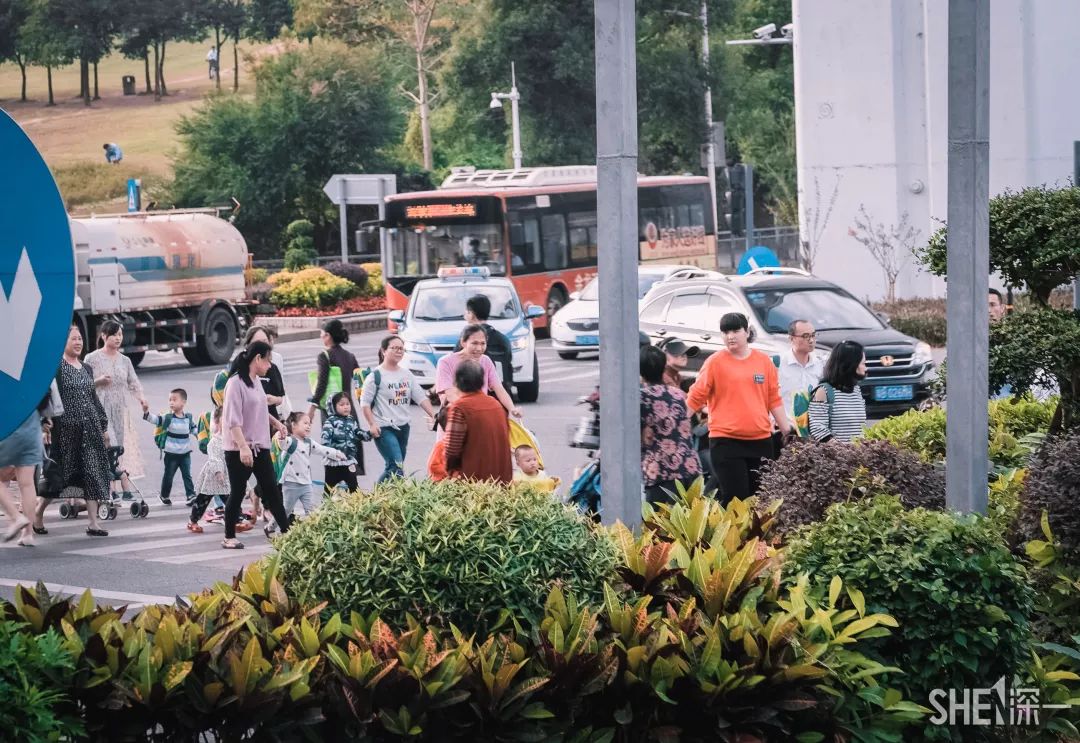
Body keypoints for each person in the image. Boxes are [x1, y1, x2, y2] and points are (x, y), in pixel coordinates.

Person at [687, 313, 793, 504]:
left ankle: (758, 536)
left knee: (760, 498)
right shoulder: (714, 362)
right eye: (726, 332)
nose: (730, 336)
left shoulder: (763, 362)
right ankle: (732, 534)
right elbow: (696, 395)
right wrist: (678, 423)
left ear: (747, 332)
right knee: (736, 497)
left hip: (760, 441)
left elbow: (773, 398)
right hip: (725, 441)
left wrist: (787, 430)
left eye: (736, 330)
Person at [221, 342, 289, 549]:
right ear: (257, 359)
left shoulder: (256, 381)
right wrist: (243, 447)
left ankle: (287, 532)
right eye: (268, 360)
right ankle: (229, 536)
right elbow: (233, 420)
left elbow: (259, 409)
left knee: (272, 489)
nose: (270, 365)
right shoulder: (235, 383)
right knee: (238, 491)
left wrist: (276, 423)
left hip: (260, 446)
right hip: (238, 449)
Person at [53, 325, 113, 537]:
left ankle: (93, 523)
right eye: (73, 339)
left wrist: (103, 426)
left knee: (92, 474)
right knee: (59, 478)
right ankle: (39, 513)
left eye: (80, 339)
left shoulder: (86, 368)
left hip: (90, 430)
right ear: (63, 343)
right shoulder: (57, 368)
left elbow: (93, 398)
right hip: (67, 432)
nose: (78, 343)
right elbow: (50, 398)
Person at [360, 335, 437, 483]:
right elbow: (365, 403)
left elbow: (420, 397)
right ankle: (375, 497)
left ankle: (390, 498)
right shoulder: (375, 376)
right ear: (384, 351)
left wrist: (433, 415)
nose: (398, 351)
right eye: (394, 348)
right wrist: (372, 424)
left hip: (403, 427)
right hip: (384, 428)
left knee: (396, 469)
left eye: (401, 348)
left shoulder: (406, 374)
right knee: (396, 467)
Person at [85, 320, 148, 500]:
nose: (118, 338)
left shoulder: (125, 360)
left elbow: (133, 382)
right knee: (107, 444)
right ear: (104, 336)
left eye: (120, 335)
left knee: (116, 449)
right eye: (114, 335)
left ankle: (116, 489)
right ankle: (110, 489)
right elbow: (83, 384)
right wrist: (98, 382)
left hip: (119, 409)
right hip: (99, 408)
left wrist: (142, 399)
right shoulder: (92, 358)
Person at [640, 345, 701, 506]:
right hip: (689, 468)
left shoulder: (642, 398)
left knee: (657, 527)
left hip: (661, 472)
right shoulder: (679, 394)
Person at [269, 412, 346, 533]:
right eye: (305, 423)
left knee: (310, 510)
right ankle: (270, 527)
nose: (308, 426)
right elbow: (282, 444)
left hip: (306, 483)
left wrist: (336, 453)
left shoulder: (309, 443)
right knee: (286, 510)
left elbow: (322, 449)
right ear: (293, 425)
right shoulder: (290, 441)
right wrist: (281, 437)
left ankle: (314, 533)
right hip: (291, 483)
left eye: (309, 423)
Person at [307, 318, 365, 475]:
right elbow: (360, 381)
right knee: (350, 449)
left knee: (334, 451)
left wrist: (312, 407)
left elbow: (322, 384)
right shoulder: (350, 356)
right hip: (349, 408)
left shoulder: (324, 356)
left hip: (331, 410)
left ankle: (337, 486)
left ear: (327, 336)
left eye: (322, 333)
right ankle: (351, 483)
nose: (320, 336)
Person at [443, 360, 513, 483]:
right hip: (502, 478)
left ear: (457, 382)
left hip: (475, 482)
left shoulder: (460, 408)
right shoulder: (495, 404)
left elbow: (452, 449)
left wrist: (451, 472)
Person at [436, 325, 522, 419]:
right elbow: (450, 395)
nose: (479, 348)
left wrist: (512, 408)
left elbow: (499, 389)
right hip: (455, 418)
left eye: (483, 343)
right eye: (474, 343)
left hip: (478, 418)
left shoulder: (486, 361)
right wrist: (475, 410)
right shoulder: (445, 362)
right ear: (463, 342)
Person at [0, 401, 48, 545]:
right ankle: (28, 534)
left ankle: (16, 517)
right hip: (31, 425)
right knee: (27, 484)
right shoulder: (31, 378)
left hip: (8, 424)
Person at [142, 388, 199, 506]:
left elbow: (194, 429)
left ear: (183, 402)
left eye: (174, 400)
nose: (171, 402)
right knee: (169, 476)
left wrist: (201, 436)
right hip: (171, 454)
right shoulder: (168, 417)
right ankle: (164, 495)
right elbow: (156, 420)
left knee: (187, 475)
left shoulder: (188, 417)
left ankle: (191, 495)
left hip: (185, 454)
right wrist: (146, 412)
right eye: (170, 400)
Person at [809, 341, 869, 443]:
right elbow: (817, 428)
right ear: (851, 364)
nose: (866, 368)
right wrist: (841, 451)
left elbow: (860, 429)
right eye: (863, 363)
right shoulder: (823, 391)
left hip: (858, 455)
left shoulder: (856, 390)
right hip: (836, 456)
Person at [454, 294, 514, 395]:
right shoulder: (502, 339)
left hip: (477, 397)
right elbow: (508, 366)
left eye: (466, 311)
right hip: (502, 396)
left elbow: (454, 367)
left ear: (471, 314)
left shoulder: (468, 340)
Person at [189, 406, 228, 533]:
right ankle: (193, 520)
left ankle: (236, 520)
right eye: (225, 418)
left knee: (231, 498)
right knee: (203, 499)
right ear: (217, 422)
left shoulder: (233, 439)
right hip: (212, 476)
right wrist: (218, 472)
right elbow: (214, 458)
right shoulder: (214, 442)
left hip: (226, 476)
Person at [321, 392, 364, 493]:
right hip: (333, 464)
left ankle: (354, 507)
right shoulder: (330, 422)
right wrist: (332, 453)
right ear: (333, 407)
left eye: (347, 404)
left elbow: (357, 433)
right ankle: (327, 507)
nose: (346, 407)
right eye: (341, 404)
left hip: (348, 461)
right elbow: (325, 441)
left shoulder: (351, 420)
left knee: (354, 488)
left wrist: (369, 434)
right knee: (329, 489)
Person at [244, 325, 288, 421]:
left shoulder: (272, 367)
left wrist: (273, 400)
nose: (262, 346)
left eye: (265, 341)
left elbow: (281, 396)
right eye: (257, 342)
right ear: (248, 345)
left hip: (270, 424)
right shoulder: (238, 373)